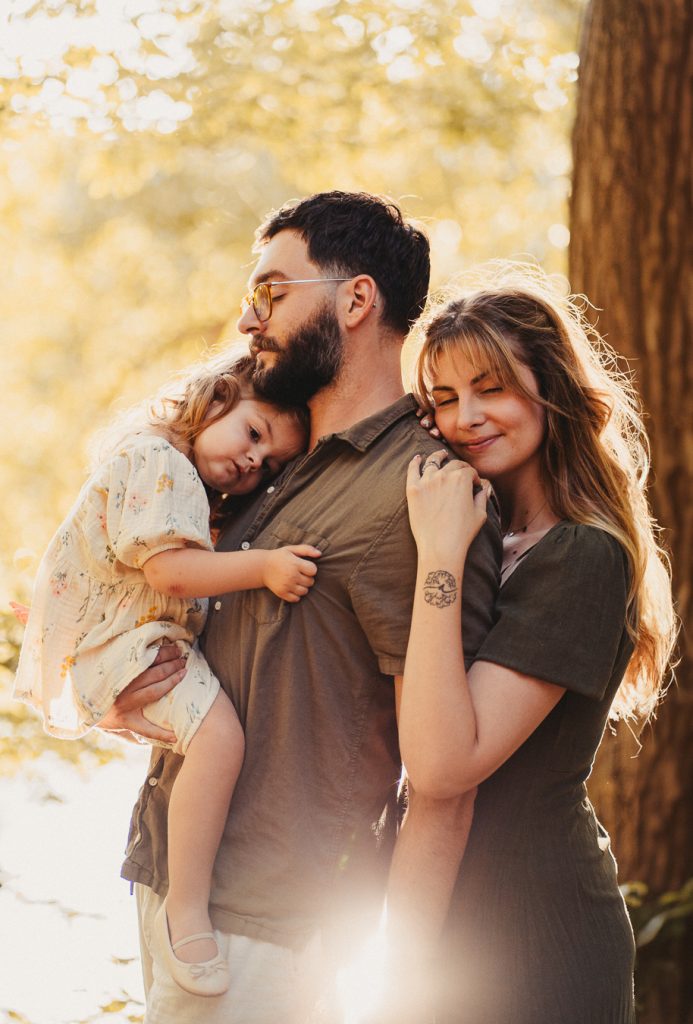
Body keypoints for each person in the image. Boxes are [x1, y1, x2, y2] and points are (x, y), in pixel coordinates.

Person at [102, 191, 502, 1024]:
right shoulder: (265, 463)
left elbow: (439, 778)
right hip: (170, 875)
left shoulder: (420, 492)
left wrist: (402, 984)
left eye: (272, 292)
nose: (250, 320)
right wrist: (126, 687)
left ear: (356, 300)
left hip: (273, 925)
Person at [400, 263, 676, 1023]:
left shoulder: (582, 555)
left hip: (534, 932)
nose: (465, 417)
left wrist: (438, 557)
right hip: (453, 927)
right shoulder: (496, 533)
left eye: (490, 388)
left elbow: (443, 762)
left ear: (549, 387)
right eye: (444, 399)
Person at [13, 354, 319, 998]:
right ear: (216, 399)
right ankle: (187, 909)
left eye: (267, 466)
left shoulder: (164, 464)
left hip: (123, 642)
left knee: (205, 737)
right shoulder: (163, 465)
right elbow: (170, 575)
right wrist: (263, 566)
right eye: (254, 435)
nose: (250, 463)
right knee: (220, 740)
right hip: (127, 643)